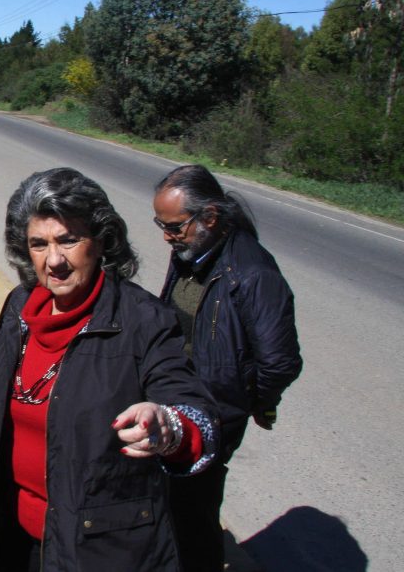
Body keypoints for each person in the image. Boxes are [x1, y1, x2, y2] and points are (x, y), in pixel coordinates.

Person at [0, 167, 217, 572]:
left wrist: (168, 426)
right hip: (13, 537)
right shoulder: (19, 308)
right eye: (38, 244)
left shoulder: (144, 319)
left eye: (68, 240)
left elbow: (196, 416)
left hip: (98, 550)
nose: (54, 260)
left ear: (101, 240)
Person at [153, 164, 302, 572]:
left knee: (193, 511)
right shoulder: (191, 252)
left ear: (210, 217)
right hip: (177, 397)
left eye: (174, 226)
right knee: (169, 499)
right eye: (161, 225)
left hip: (214, 411)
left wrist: (250, 402)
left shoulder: (253, 273)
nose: (167, 236)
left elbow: (280, 361)